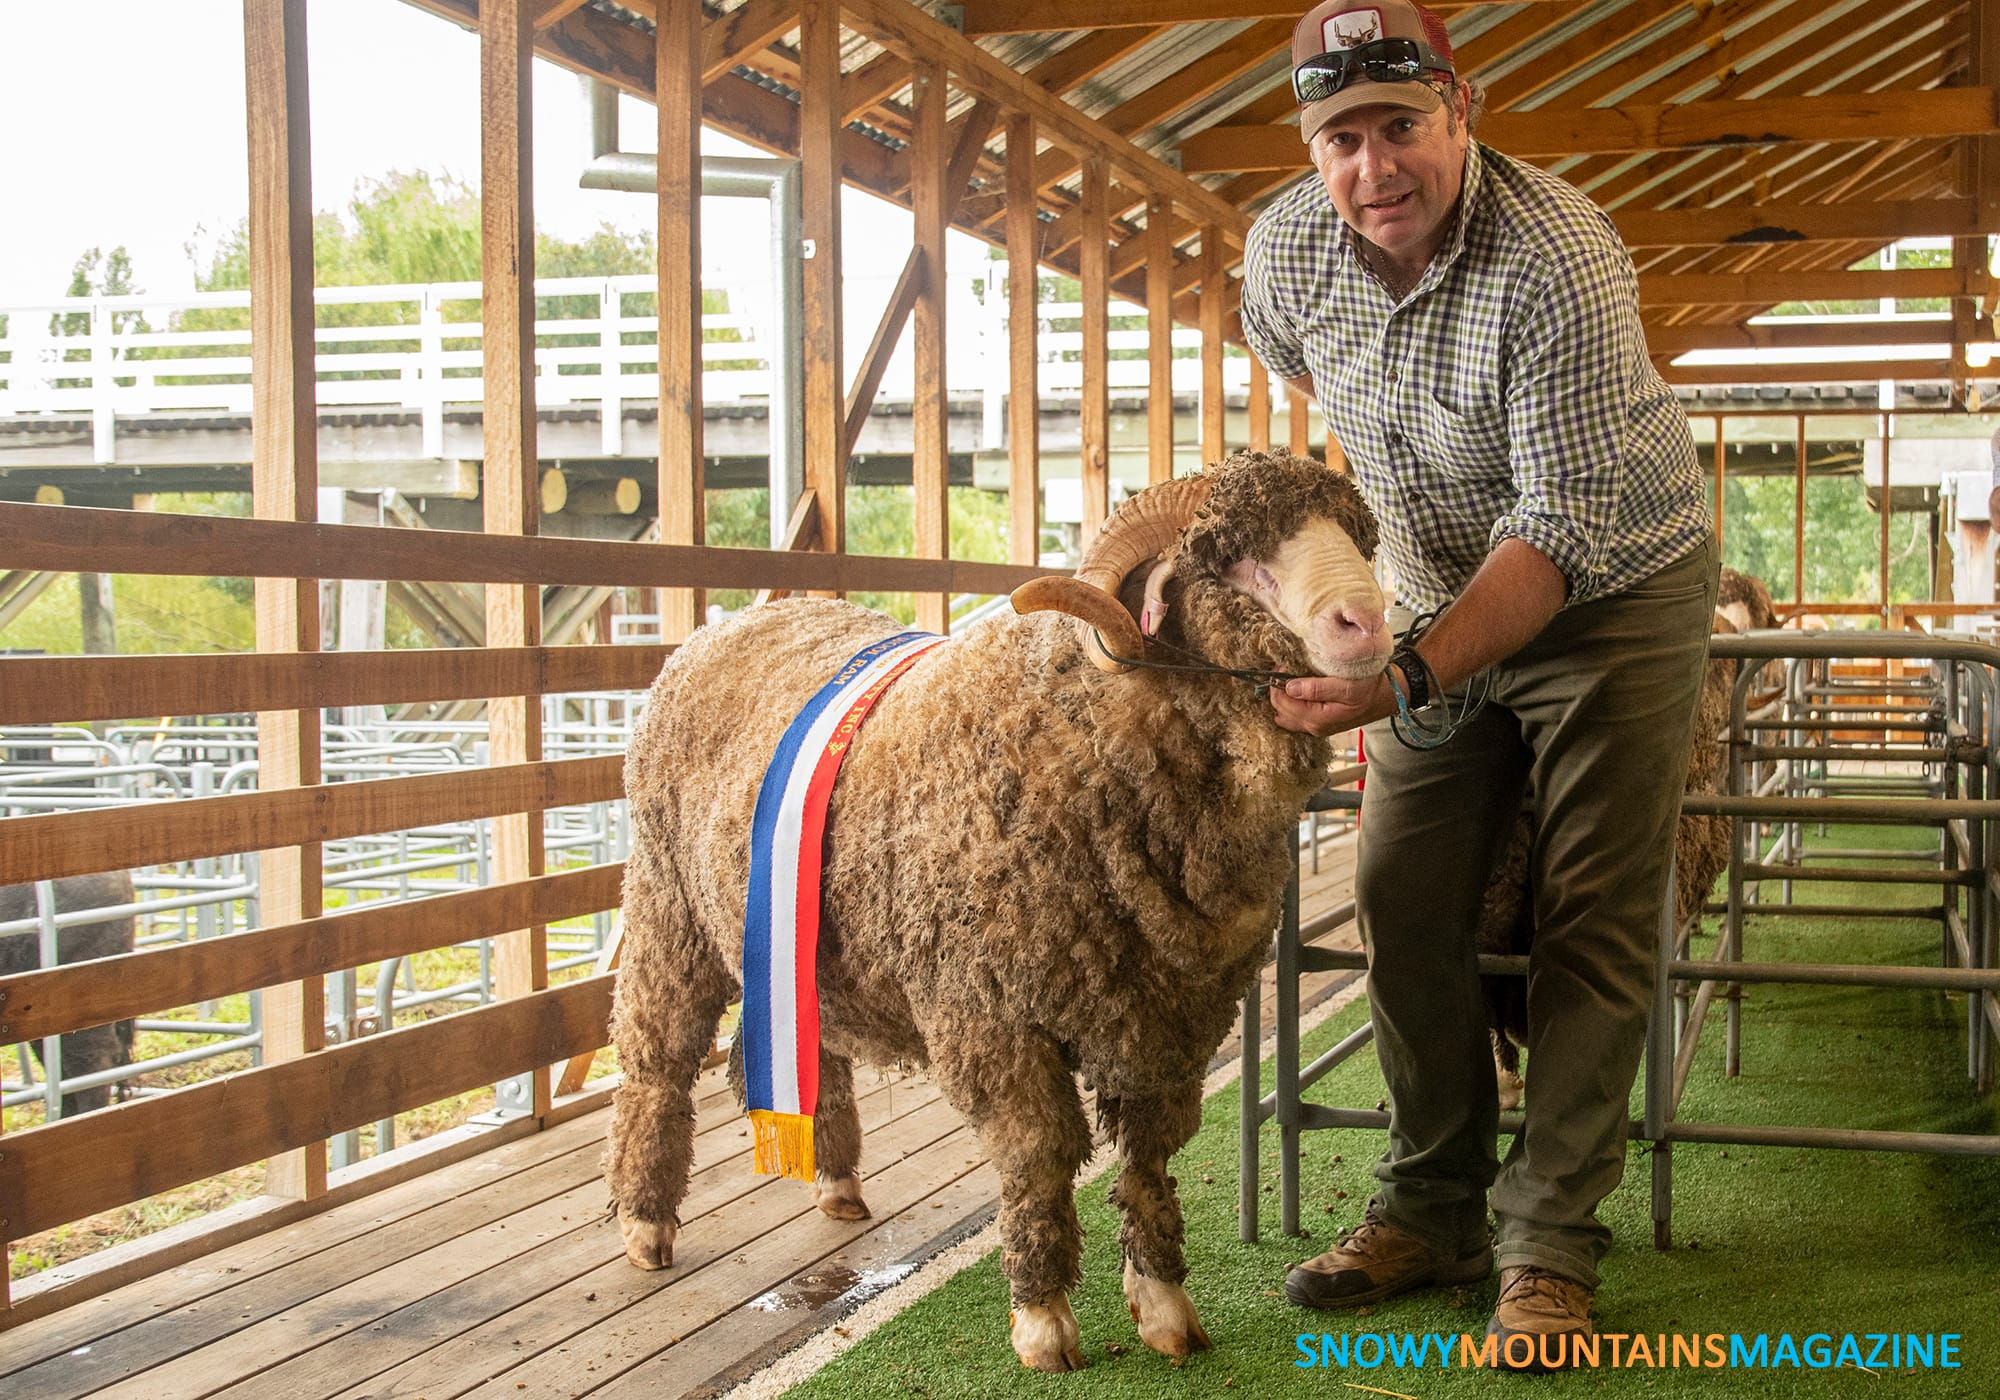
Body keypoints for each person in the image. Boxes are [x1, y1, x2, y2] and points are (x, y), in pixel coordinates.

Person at [1238, 0, 1718, 1371]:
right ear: (1311, 147)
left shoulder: (1556, 256)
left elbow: (1560, 530)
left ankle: (1548, 1248)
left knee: (1593, 907)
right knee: (1400, 885)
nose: (1374, 164)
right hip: (1438, 585)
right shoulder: (1283, 250)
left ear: (1464, 111)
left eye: (1401, 125)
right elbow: (1300, 386)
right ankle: (1433, 1204)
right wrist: (1362, 605)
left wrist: (1402, 675)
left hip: (1612, 590)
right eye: (1342, 136)